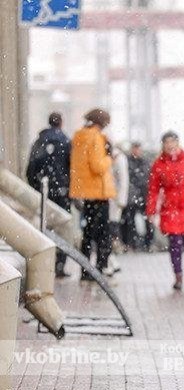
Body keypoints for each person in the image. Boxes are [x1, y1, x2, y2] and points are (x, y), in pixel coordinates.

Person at [146, 131, 184, 290]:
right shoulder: (158, 164)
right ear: (163, 145)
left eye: (172, 142)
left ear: (178, 143)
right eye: (167, 143)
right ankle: (178, 276)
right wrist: (151, 210)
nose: (170, 146)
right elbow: (153, 189)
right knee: (175, 244)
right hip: (171, 209)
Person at [69, 108, 116, 280]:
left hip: (85, 192)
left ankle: (85, 269)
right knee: (103, 233)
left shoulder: (79, 137)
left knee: (88, 233)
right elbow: (98, 166)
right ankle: (100, 268)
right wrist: (110, 158)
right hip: (98, 193)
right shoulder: (95, 137)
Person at [26, 112, 72, 277]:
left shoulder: (39, 141)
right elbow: (72, 167)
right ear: (61, 123)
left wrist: (35, 187)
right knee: (63, 227)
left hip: (43, 193)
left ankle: (45, 264)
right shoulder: (66, 141)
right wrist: (67, 187)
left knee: (44, 226)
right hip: (62, 192)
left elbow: (31, 168)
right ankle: (60, 264)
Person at [121, 142, 154, 251]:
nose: (136, 151)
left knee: (148, 221)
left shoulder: (145, 162)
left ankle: (148, 244)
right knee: (129, 221)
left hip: (144, 195)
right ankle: (131, 243)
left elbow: (148, 177)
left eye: (138, 149)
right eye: (135, 149)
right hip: (132, 196)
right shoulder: (127, 161)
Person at [105, 144, 130, 276]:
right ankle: (111, 261)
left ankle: (110, 261)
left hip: (112, 201)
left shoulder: (118, 157)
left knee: (110, 232)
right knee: (108, 232)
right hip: (106, 200)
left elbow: (123, 180)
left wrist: (121, 200)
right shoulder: (112, 156)